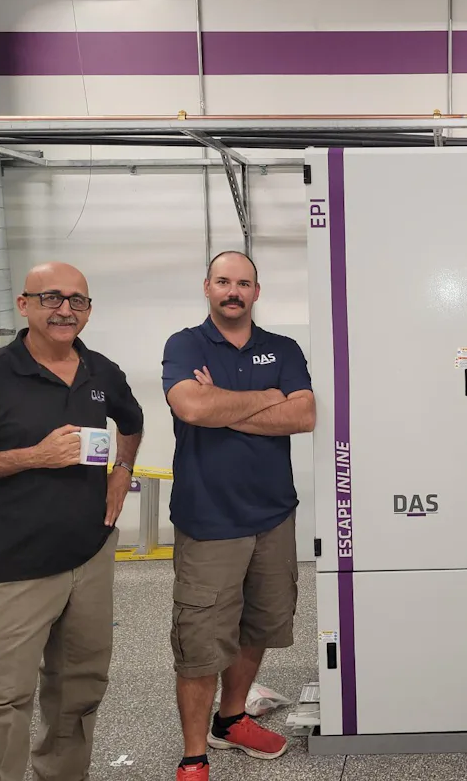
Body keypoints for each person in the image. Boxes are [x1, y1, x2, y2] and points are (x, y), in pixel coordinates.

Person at [0, 262, 144, 781]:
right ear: (24, 305)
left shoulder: (100, 371)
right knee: (2, 701)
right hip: (16, 568)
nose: (65, 309)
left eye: (77, 300)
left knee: (80, 688)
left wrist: (123, 470)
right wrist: (32, 457)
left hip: (90, 559)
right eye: (51, 297)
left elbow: (132, 422)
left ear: (88, 311)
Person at [161, 251, 315, 781]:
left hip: (272, 516)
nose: (233, 290)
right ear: (207, 287)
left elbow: (304, 414)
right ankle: (193, 753)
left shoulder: (283, 348)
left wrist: (225, 404)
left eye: (243, 283)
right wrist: (265, 399)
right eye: (223, 281)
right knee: (202, 639)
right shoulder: (184, 344)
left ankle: (231, 718)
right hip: (208, 520)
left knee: (259, 625)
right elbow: (192, 409)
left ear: (256, 291)